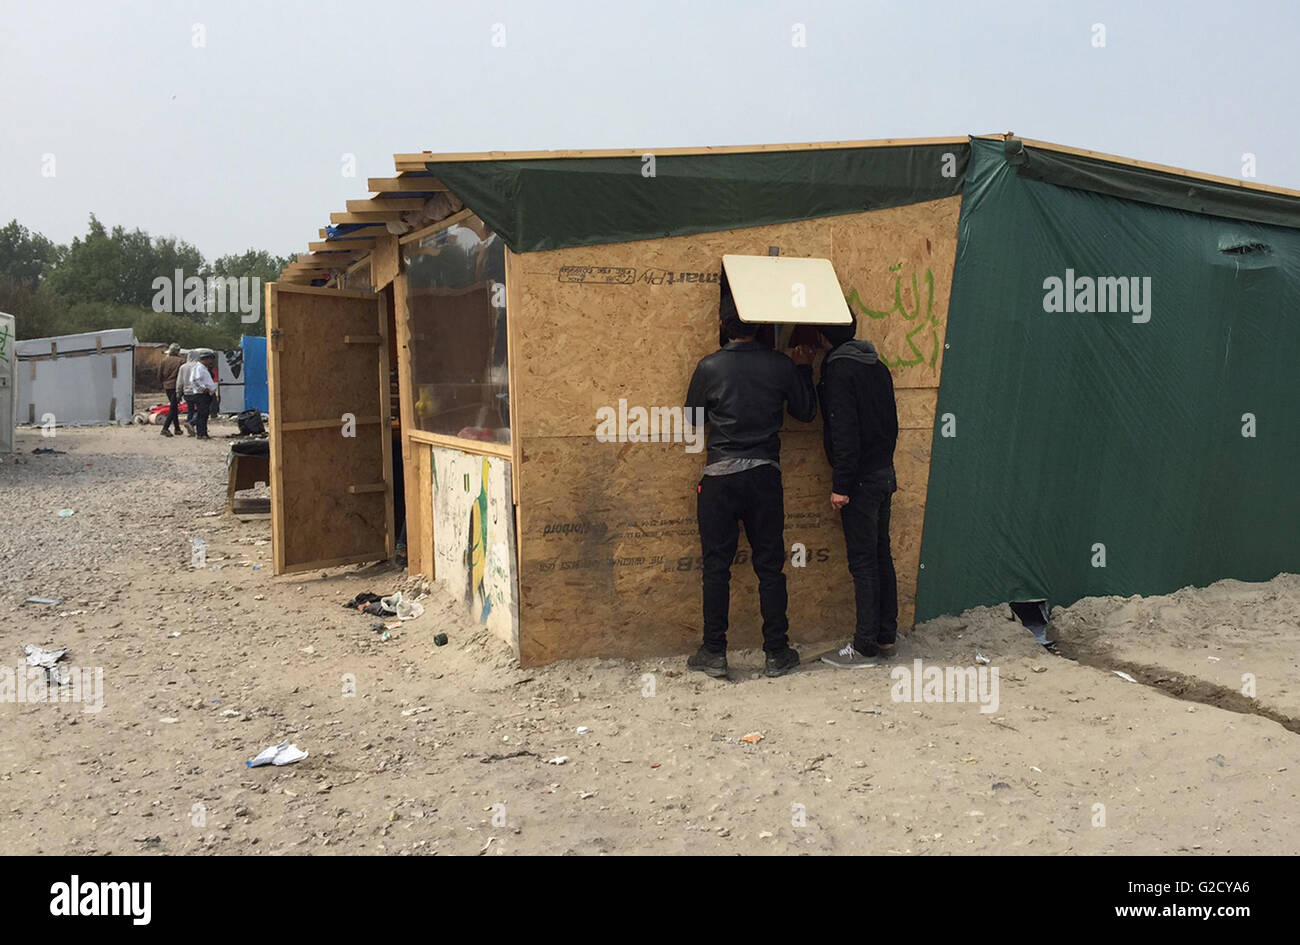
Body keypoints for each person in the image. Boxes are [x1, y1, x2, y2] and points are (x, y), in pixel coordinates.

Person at [684, 272, 817, 679]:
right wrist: (803, 370)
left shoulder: (709, 366)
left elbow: (692, 418)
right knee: (770, 567)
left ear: (723, 327)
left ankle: (714, 652)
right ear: (759, 326)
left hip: (720, 477)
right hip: (764, 476)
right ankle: (776, 653)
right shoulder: (779, 365)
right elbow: (807, 413)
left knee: (716, 567)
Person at [815, 313, 901, 668]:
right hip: (883, 474)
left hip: (861, 482)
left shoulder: (838, 371)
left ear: (823, 335)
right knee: (882, 554)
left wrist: (842, 485)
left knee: (864, 561)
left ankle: (864, 646)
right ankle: (884, 637)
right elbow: (891, 425)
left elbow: (845, 431)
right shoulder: (876, 366)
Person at [157, 343, 185, 437]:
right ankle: (165, 428)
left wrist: (162, 383)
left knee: (174, 407)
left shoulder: (164, 360)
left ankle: (177, 428)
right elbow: (182, 376)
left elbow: (159, 374)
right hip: (176, 386)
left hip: (167, 386)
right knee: (173, 408)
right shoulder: (181, 361)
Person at [188, 352, 219, 440]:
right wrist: (203, 388)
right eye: (209, 359)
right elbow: (194, 380)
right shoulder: (199, 368)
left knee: (204, 414)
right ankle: (201, 433)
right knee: (202, 414)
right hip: (201, 394)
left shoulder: (203, 368)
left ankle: (203, 432)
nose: (210, 362)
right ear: (205, 359)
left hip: (206, 394)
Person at [176, 350, 199, 436]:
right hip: (197, 392)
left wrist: (178, 392)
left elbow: (179, 381)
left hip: (187, 393)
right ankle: (192, 424)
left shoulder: (183, 367)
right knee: (200, 410)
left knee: (190, 410)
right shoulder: (198, 366)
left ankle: (190, 429)